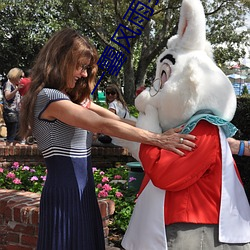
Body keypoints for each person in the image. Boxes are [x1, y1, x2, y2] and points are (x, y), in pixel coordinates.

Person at [19, 28, 196, 250]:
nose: (83, 74)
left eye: (86, 68)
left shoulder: (70, 100)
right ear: (61, 60)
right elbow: (101, 124)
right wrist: (158, 139)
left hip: (82, 190)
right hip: (66, 192)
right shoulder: (49, 97)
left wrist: (161, 128)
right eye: (80, 66)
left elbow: (117, 120)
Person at [3, 68, 24, 146]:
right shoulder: (8, 84)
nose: (22, 79)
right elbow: (7, 96)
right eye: (20, 76)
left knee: (17, 136)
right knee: (11, 135)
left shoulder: (15, 85)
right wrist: (17, 89)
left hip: (16, 112)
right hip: (10, 112)